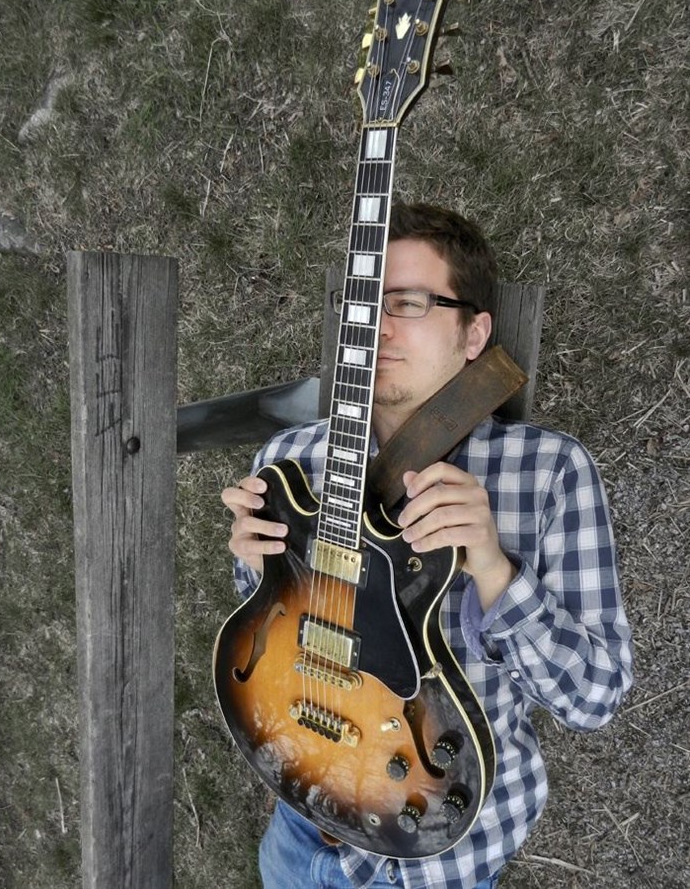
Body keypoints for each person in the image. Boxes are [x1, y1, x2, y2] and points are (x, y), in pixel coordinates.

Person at [220, 201, 633, 889]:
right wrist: (257, 568)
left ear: (474, 334)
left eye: (409, 303)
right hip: (300, 828)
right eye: (365, 304)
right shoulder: (290, 460)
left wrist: (495, 570)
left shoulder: (548, 473)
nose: (377, 326)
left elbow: (595, 697)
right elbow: (271, 622)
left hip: (438, 849)